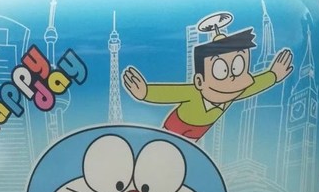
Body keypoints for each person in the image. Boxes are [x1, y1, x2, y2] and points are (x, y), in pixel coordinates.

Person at [122, 27, 293, 141]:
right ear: (199, 81)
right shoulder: (194, 93)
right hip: (175, 126)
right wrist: (146, 92)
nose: (232, 79)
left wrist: (273, 75)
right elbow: (172, 92)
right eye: (221, 70)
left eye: (238, 67)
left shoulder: (232, 92)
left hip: (197, 133)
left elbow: (253, 86)